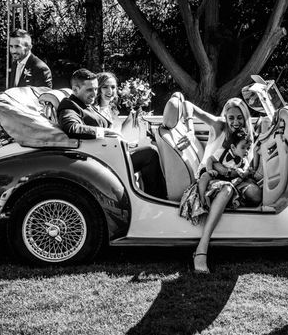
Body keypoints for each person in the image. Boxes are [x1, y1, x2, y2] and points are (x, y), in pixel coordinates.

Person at [58, 68, 167, 199]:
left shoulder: (87, 104)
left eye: (95, 89)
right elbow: (71, 127)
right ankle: (157, 199)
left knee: (153, 148)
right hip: (102, 158)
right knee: (150, 154)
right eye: (89, 90)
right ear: (75, 89)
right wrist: (104, 132)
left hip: (112, 151)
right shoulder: (69, 105)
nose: (94, 94)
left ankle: (154, 197)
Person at [179, 97, 257, 274]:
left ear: (245, 117)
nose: (235, 122)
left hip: (232, 179)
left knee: (255, 193)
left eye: (239, 118)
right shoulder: (219, 125)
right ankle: (201, 249)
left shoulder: (246, 136)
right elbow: (188, 105)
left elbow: (244, 165)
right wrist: (190, 131)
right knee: (227, 188)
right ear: (226, 118)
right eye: (231, 118)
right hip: (209, 176)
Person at [196, 129, 262, 209]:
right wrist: (210, 169)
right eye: (243, 148)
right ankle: (201, 199)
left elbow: (245, 172)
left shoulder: (244, 161)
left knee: (240, 185)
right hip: (217, 175)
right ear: (233, 147)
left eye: (248, 148)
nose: (246, 151)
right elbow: (210, 159)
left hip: (231, 180)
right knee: (205, 176)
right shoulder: (222, 152)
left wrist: (245, 173)